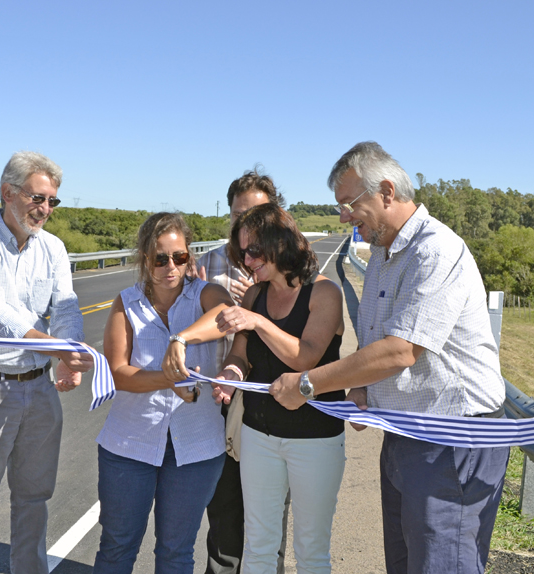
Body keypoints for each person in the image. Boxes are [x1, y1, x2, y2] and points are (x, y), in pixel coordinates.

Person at [270, 141, 509, 574]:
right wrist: (361, 386)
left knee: (442, 564)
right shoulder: (382, 252)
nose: (343, 216)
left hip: (451, 439)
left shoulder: (435, 251)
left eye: (348, 204)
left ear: (385, 191)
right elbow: (376, 341)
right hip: (405, 432)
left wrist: (308, 384)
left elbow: (402, 349)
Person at [0, 151, 94, 574]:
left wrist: (69, 353)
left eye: (52, 201)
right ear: (7, 193)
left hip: (39, 388)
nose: (45, 209)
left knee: (34, 499)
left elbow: (66, 307)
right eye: (37, 198)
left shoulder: (53, 248)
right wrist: (52, 347)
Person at [205, 203, 346, 574]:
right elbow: (240, 355)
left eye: (254, 250)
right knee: (259, 544)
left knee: (311, 548)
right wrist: (230, 376)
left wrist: (257, 322)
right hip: (258, 434)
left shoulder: (324, 293)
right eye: (242, 253)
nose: (248, 261)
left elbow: (306, 357)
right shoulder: (255, 295)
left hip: (314, 439)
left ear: (280, 242)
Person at [94, 212, 234, 574]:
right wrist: (169, 379)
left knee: (176, 552)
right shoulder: (126, 303)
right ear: (145, 260)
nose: (171, 266)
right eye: (160, 258)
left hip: (197, 448)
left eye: (180, 257)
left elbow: (227, 314)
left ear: (189, 257)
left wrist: (181, 339)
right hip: (129, 445)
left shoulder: (206, 294)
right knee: (116, 548)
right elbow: (119, 374)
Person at [195, 169, 288, 574]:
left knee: (268, 524)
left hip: (275, 408)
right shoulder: (204, 265)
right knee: (225, 517)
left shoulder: (293, 268)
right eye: (238, 215)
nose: (245, 224)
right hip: (222, 405)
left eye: (257, 213)